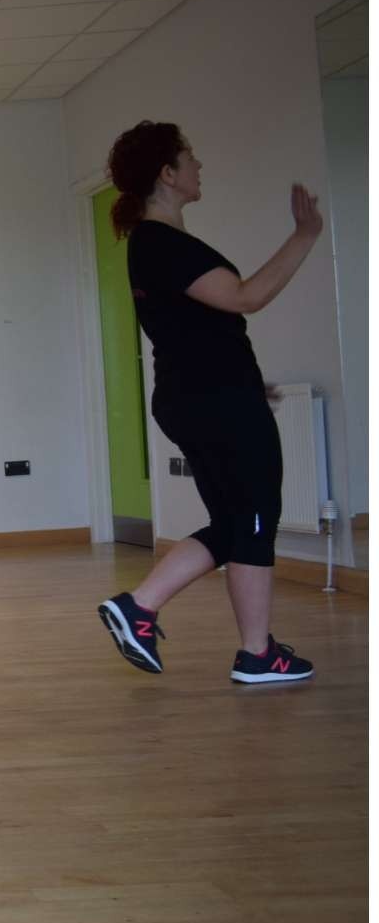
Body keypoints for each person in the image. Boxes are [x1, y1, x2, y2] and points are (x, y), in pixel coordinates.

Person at [96, 121, 323, 684]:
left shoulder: (152, 246)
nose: (201, 167)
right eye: (190, 158)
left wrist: (242, 385)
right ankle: (147, 608)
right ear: (168, 175)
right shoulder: (163, 244)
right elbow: (246, 296)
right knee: (251, 518)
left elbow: (196, 329)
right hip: (212, 399)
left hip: (205, 395)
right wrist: (304, 234)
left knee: (238, 521)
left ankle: (251, 650)